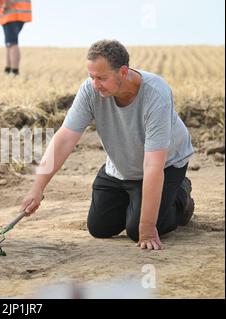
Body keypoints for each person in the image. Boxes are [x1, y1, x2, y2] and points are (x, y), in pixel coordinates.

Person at [21, 40, 195, 251]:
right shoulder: (91, 90)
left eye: (102, 78)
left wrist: (148, 227)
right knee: (100, 228)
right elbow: (65, 138)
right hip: (120, 166)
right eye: (91, 77)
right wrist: (37, 187)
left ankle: (181, 195)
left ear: (123, 72)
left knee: (136, 231)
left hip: (165, 165)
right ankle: (136, 200)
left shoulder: (156, 94)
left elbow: (153, 165)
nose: (95, 84)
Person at [0, 0, 32, 76]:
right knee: (9, 44)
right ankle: (8, 70)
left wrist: (6, 5)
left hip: (12, 15)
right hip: (16, 14)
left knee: (12, 43)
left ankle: (14, 71)